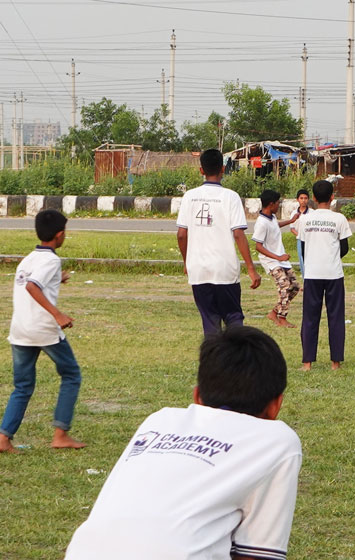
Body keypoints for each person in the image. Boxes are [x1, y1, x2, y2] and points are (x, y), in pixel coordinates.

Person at [65, 326, 302, 560]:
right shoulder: (278, 441)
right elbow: (257, 555)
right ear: (276, 405)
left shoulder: (160, 420)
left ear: (197, 396)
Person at [0, 210, 84, 453]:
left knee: (23, 386)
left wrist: (58, 280)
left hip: (20, 329)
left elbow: (34, 282)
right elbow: (32, 286)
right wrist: (58, 314)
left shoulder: (28, 259)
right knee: (71, 374)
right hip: (43, 329)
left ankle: (4, 438)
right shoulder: (51, 260)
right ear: (60, 235)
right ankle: (60, 435)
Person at [177, 149, 261, 335]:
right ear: (223, 169)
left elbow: (182, 234)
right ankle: (237, 360)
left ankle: (214, 362)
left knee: (210, 319)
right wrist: (251, 268)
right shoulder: (230, 197)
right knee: (233, 316)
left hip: (199, 268)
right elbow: (238, 234)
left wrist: (186, 262)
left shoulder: (189, 196)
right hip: (225, 269)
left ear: (201, 171)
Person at [297, 180, 352, 370]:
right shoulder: (339, 219)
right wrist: (331, 257)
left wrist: (314, 259)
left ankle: (307, 363)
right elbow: (343, 248)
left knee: (310, 318)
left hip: (312, 274)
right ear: (332, 197)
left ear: (312, 198)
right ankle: (335, 362)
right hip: (334, 274)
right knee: (335, 317)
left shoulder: (304, 219)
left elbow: (303, 248)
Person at [253, 190, 301, 329]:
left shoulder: (271, 217)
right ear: (271, 204)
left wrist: (291, 221)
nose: (279, 205)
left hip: (281, 259)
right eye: (278, 203)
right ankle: (282, 317)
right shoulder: (261, 223)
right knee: (285, 286)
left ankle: (274, 312)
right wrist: (278, 257)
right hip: (271, 261)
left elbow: (275, 226)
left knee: (295, 287)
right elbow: (258, 246)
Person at [289, 188, 311, 278]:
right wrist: (299, 235)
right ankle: (304, 279)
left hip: (310, 240)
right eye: (301, 198)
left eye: (305, 198)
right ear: (297, 199)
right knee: (301, 260)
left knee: (309, 260)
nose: (303, 200)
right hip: (299, 239)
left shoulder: (311, 213)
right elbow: (292, 228)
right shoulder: (294, 213)